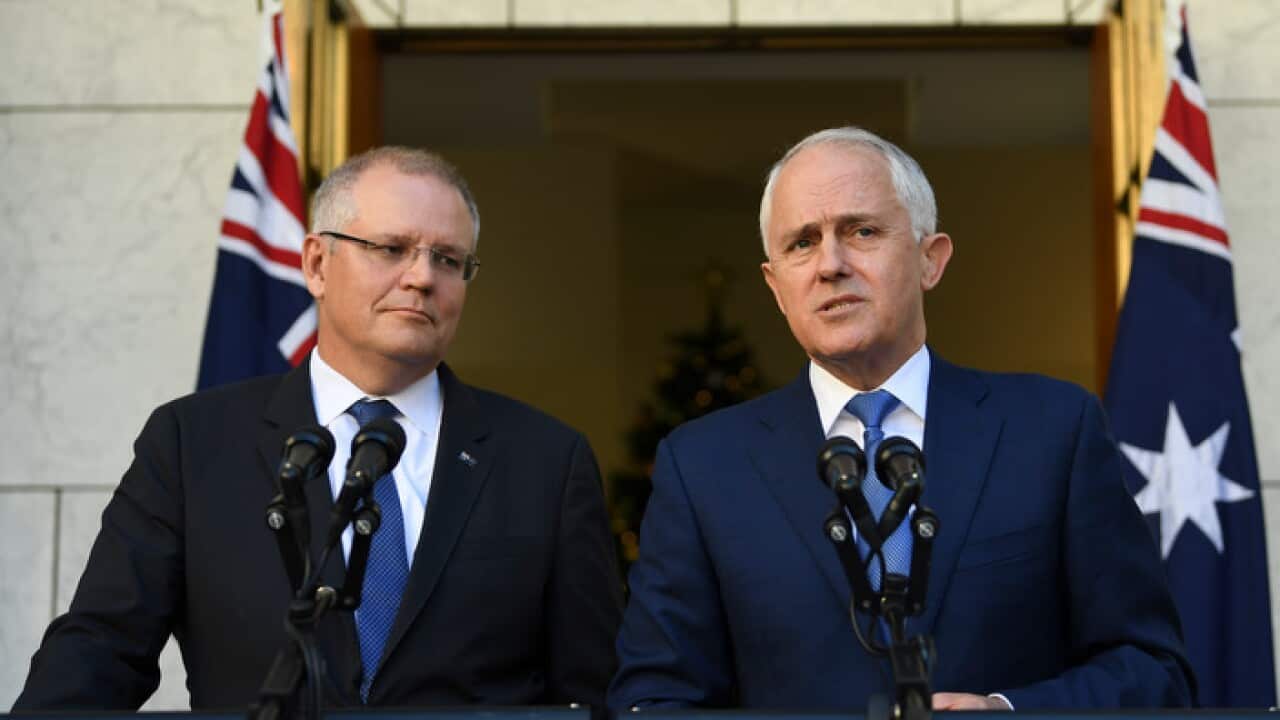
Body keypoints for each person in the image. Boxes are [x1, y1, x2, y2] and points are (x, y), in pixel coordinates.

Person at [16, 147, 622, 711]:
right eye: (391, 248)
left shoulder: (547, 461)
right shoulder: (192, 443)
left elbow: (593, 689)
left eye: (448, 259)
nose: (422, 277)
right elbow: (100, 650)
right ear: (316, 264)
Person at [608, 127, 1194, 711]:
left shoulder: (1053, 431)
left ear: (930, 260)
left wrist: (1007, 713)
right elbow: (655, 698)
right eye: (802, 243)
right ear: (776, 287)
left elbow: (1152, 670)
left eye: (861, 231)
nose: (830, 264)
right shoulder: (704, 467)